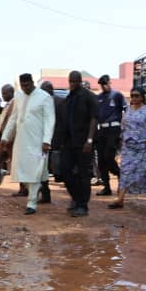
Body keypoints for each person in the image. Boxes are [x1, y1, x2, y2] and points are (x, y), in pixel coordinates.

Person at [2, 74, 55, 215]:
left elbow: (50, 121)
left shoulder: (44, 97)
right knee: (23, 170)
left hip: (38, 142)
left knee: (35, 171)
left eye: (27, 85)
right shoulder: (19, 97)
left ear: (32, 82)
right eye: (22, 86)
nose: (25, 88)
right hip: (22, 141)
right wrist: (5, 137)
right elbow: (13, 118)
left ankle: (32, 203)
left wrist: (46, 141)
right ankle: (37, 193)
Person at [108, 86, 146, 210]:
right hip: (129, 146)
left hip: (144, 147)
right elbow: (125, 127)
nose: (133, 98)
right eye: (132, 95)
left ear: (142, 97)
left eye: (136, 95)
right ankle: (120, 199)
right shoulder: (128, 109)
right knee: (125, 171)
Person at [54, 71, 98, 217]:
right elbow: (61, 122)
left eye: (75, 81)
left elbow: (94, 119)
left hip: (84, 143)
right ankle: (76, 198)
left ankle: (82, 205)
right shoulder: (67, 99)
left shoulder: (89, 97)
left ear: (80, 81)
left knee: (84, 174)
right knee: (64, 171)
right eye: (70, 81)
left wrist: (90, 140)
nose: (72, 83)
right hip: (68, 143)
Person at [94, 74, 125, 196]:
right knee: (101, 159)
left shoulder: (117, 95)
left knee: (108, 157)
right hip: (102, 130)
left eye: (106, 84)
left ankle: (119, 174)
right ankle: (106, 187)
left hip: (114, 129)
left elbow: (126, 110)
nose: (105, 86)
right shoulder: (99, 97)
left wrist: (124, 127)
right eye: (102, 85)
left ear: (110, 83)